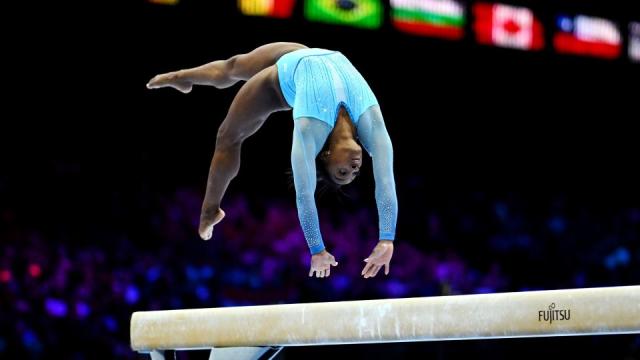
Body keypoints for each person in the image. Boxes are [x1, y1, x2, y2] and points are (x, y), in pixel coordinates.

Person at [147, 42, 397, 279]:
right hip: (302, 54)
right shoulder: (371, 125)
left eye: (343, 172)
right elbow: (385, 183)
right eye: (354, 173)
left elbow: (304, 195)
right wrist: (387, 238)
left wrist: (317, 249)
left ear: (326, 155)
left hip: (278, 84)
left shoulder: (310, 129)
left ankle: (209, 210)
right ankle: (183, 77)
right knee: (232, 66)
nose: (355, 169)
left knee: (228, 136)